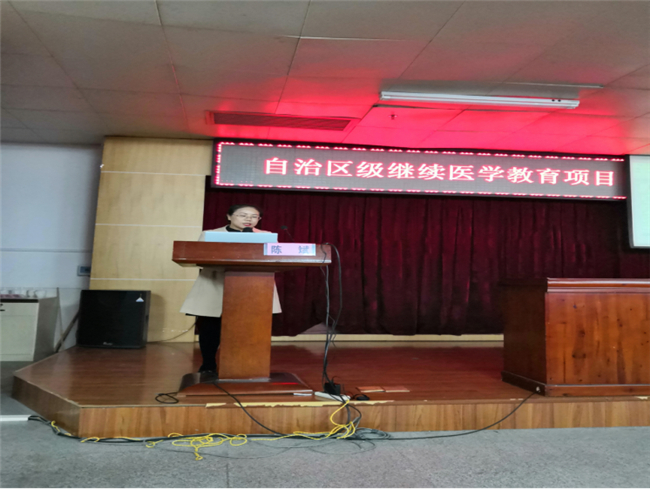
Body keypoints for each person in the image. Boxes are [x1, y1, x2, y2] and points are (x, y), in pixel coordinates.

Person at [180, 204, 282, 373]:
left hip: (255, 287)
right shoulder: (210, 235)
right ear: (229, 216)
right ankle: (208, 364)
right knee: (211, 328)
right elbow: (199, 257)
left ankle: (247, 365)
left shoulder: (266, 236)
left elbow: (278, 258)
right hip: (216, 284)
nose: (249, 219)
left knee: (251, 329)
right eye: (243, 215)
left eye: (254, 216)